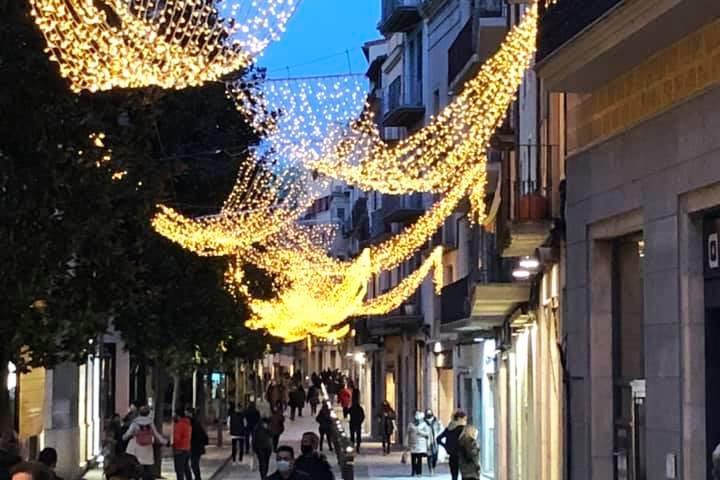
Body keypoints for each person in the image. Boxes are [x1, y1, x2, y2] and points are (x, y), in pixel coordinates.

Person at [123, 406, 169, 480]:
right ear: (148, 413)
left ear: (139, 413)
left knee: (135, 467)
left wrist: (123, 437)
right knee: (147, 469)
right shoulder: (150, 423)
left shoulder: (135, 422)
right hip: (148, 449)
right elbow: (157, 435)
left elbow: (128, 433)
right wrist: (166, 442)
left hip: (136, 449)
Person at [436, 411, 467, 480]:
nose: (465, 421)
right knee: (464, 475)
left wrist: (446, 446)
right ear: (459, 418)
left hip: (452, 456)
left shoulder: (449, 428)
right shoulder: (462, 429)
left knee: (454, 476)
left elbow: (438, 439)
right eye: (464, 419)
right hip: (462, 455)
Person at [405, 411, 430, 477]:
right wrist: (406, 443)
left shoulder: (424, 424)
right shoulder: (410, 424)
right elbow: (407, 434)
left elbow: (427, 433)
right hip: (413, 443)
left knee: (419, 459)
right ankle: (413, 471)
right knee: (413, 458)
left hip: (421, 444)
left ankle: (419, 472)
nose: (417, 420)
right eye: (416, 418)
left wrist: (420, 432)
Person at [188, 408, 208, 480]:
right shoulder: (195, 422)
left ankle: (198, 478)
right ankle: (197, 478)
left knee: (194, 464)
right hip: (195, 447)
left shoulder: (194, 423)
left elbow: (202, 435)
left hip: (195, 447)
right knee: (193, 464)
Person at [172, 410, 192, 480]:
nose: (173, 417)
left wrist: (172, 444)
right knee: (186, 468)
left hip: (179, 450)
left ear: (178, 416)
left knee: (179, 470)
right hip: (187, 448)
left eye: (175, 415)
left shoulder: (179, 425)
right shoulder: (188, 424)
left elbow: (177, 438)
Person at [424, 409, 443, 475]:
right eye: (427, 413)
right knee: (429, 455)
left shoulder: (436, 421)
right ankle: (430, 469)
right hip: (428, 440)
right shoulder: (424, 421)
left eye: (430, 413)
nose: (428, 414)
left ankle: (433, 466)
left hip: (435, 440)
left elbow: (440, 428)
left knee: (435, 455)